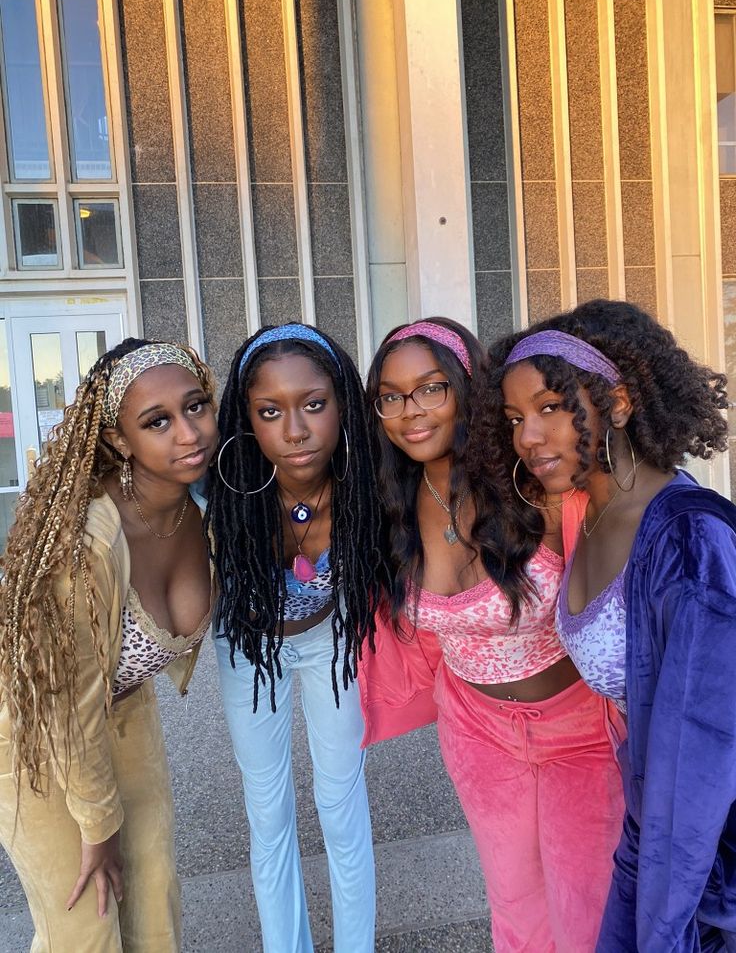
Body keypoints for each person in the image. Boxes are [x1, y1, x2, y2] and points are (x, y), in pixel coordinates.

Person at [365, 317, 624, 952]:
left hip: (579, 730)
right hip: (476, 731)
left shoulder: (536, 485)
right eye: (392, 397)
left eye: (431, 388)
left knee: (588, 911)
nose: (411, 412)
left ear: (468, 387)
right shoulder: (389, 501)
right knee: (515, 910)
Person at [490, 298, 736, 952]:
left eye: (548, 407)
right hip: (651, 827)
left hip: (710, 861)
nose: (528, 437)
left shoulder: (692, 541)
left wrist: (664, 917)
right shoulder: (586, 514)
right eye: (516, 417)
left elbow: (705, 757)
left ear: (618, 402)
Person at [0, 339, 218, 951]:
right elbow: (66, 704)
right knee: (85, 930)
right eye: (158, 421)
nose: (188, 432)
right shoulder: (86, 539)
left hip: (123, 709)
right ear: (120, 440)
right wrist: (98, 827)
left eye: (196, 406)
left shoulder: (208, 506)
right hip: (34, 728)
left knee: (154, 909)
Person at [206, 323, 386, 953]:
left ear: (341, 402)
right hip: (250, 651)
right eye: (270, 411)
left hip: (332, 643)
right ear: (247, 418)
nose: (296, 430)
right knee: (269, 813)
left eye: (313, 404)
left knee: (342, 805)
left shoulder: (369, 484)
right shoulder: (219, 488)